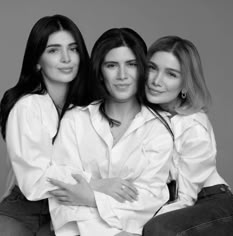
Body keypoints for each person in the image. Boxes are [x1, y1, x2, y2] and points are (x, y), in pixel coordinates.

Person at [47, 28, 173, 236]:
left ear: (143, 69)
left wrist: (91, 196)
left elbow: (149, 199)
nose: (122, 76)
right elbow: (62, 188)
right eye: (112, 65)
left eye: (131, 65)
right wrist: (102, 188)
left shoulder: (158, 129)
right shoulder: (75, 120)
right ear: (100, 71)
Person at [0, 14, 89, 236]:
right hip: (27, 211)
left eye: (73, 48)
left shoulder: (89, 107)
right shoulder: (28, 106)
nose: (66, 58)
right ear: (37, 61)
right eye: (54, 50)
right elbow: (34, 183)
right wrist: (95, 185)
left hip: (74, 210)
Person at [142, 36, 233, 235]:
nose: (156, 81)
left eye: (171, 74)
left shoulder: (194, 126)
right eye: (152, 68)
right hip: (171, 202)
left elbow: (184, 198)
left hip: (211, 202)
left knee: (157, 229)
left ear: (185, 85)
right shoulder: (145, 117)